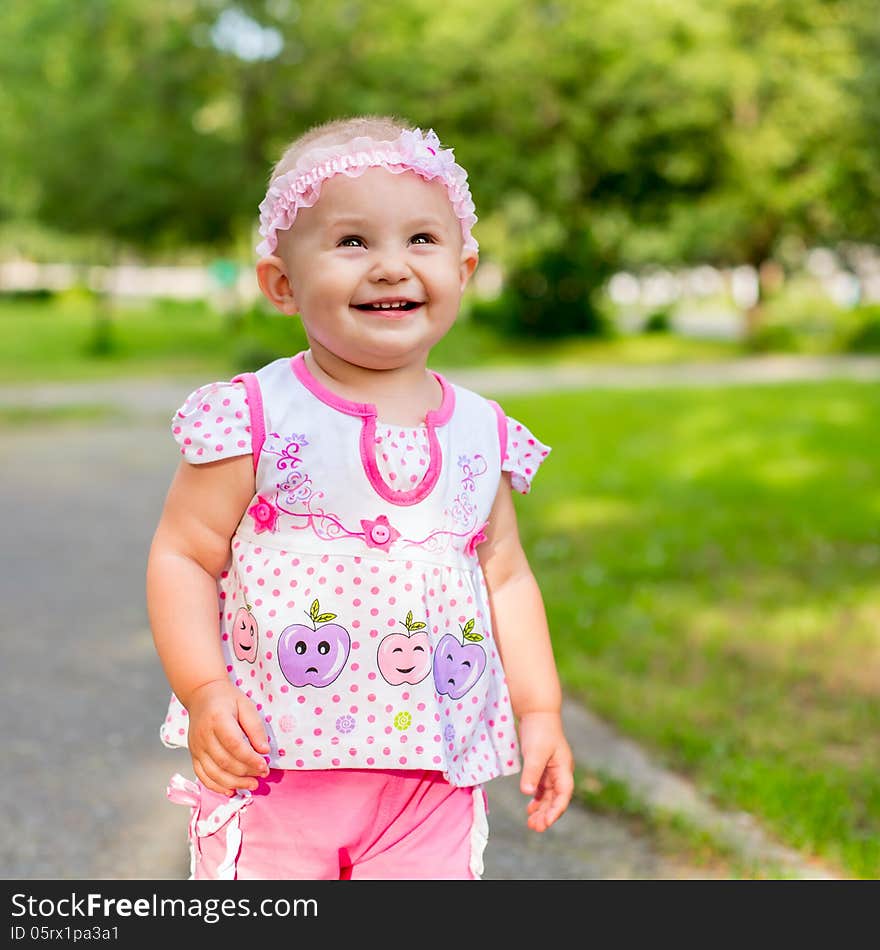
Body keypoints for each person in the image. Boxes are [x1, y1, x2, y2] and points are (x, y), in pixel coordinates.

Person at [146, 114, 574, 881]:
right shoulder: (255, 417)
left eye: (421, 240)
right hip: (274, 765)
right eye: (352, 242)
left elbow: (504, 573)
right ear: (282, 282)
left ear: (465, 268)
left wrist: (540, 709)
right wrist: (204, 689)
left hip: (430, 778)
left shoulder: (482, 430)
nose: (390, 267)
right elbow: (183, 555)